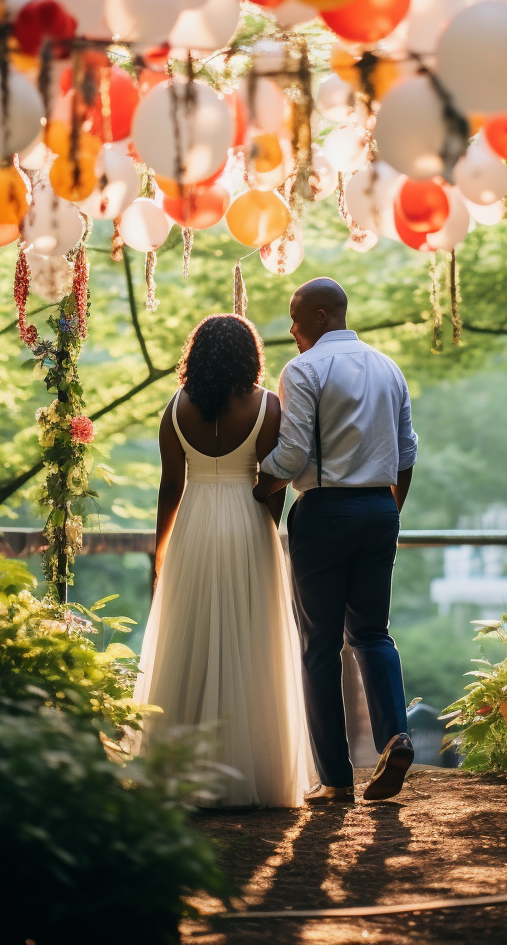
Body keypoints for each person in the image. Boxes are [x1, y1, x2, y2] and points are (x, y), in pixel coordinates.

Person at [134, 314, 311, 808]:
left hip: (192, 523)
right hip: (248, 520)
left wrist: (161, 548)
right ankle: (251, 770)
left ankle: (180, 770)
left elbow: (170, 486)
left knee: (187, 637)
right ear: (249, 355)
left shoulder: (174, 409)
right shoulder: (268, 406)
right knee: (252, 640)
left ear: (197, 355)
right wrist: (269, 530)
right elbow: (272, 478)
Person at [253, 277, 418, 806]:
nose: (293, 330)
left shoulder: (303, 370)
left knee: (319, 647)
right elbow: (407, 454)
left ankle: (336, 780)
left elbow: (294, 455)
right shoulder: (389, 367)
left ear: (321, 315)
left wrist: (257, 479)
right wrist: (389, 510)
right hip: (379, 509)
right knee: (373, 633)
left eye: (296, 319)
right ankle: (396, 737)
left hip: (324, 513)